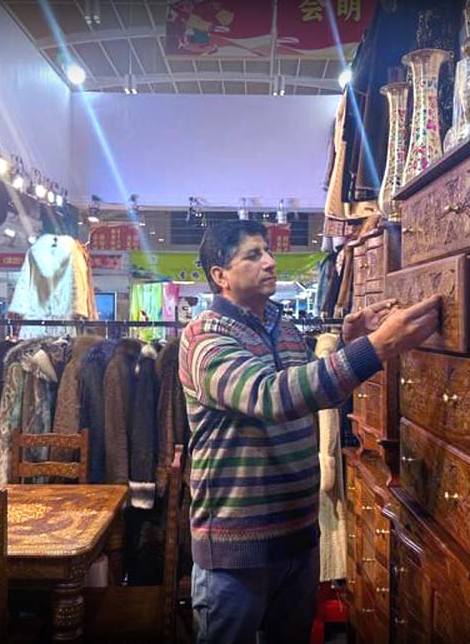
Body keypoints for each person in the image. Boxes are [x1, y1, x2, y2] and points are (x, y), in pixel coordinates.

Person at [179, 220, 439, 644]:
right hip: (236, 550)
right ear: (220, 276)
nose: (269, 261)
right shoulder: (205, 337)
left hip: (299, 536)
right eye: (253, 255)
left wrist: (346, 341)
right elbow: (271, 396)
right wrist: (373, 349)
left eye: (267, 251)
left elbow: (314, 400)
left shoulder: (282, 328)